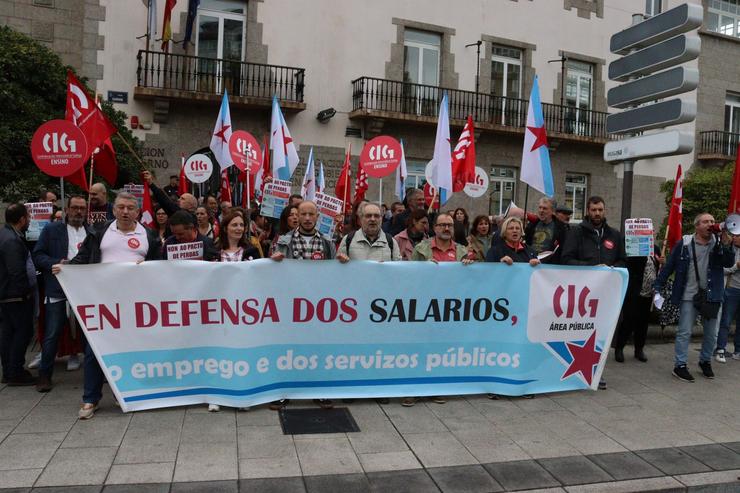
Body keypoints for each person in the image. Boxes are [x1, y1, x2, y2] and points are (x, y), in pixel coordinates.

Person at [53, 192, 162, 419]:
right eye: (121, 207)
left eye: (130, 208)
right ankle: (90, 399)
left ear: (137, 212)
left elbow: (159, 266)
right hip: (103, 303)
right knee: (95, 350)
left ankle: (126, 392)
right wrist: (67, 269)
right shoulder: (99, 232)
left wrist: (149, 267)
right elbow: (83, 258)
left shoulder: (149, 236)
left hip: (135, 304)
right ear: (113, 210)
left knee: (133, 349)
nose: (125, 212)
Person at [655, 213, 734, 382]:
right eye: (706, 222)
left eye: (712, 221)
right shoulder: (684, 244)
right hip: (689, 295)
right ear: (697, 226)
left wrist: (726, 244)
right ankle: (680, 365)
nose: (710, 224)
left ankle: (705, 361)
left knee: (711, 334)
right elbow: (670, 266)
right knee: (685, 332)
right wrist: (657, 286)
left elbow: (728, 262)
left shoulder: (718, 243)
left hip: (712, 295)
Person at [271, 201, 335, 410]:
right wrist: (273, 262)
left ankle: (320, 391)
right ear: (297, 216)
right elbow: (271, 273)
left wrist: (342, 263)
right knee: (289, 349)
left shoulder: (327, 241)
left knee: (318, 349)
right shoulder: (283, 241)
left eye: (311, 214)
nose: (307, 218)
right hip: (291, 306)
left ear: (317, 217)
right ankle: (284, 391)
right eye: (303, 214)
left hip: (319, 307)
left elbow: (336, 272)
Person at [405, 213, 472, 406]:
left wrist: (469, 265)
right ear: (434, 228)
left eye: (449, 225)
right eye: (442, 225)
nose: (446, 228)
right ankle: (413, 389)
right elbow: (409, 275)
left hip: (450, 309)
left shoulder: (462, 251)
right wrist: (423, 268)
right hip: (424, 306)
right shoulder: (422, 249)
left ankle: (436, 388)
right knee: (419, 349)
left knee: (441, 349)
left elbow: (470, 280)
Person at [561, 196, 626, 390]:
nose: (597, 213)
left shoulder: (614, 234)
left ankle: (596, 372)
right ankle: (575, 368)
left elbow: (623, 261)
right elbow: (567, 259)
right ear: (587, 211)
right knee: (581, 332)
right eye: (593, 210)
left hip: (606, 294)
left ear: (604, 211)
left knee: (601, 333)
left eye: (600, 210)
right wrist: (592, 268)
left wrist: (611, 269)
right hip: (583, 293)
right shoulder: (576, 232)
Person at [32, 196, 91, 392]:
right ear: (67, 209)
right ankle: (44, 375)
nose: (79, 212)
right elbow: (38, 255)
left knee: (88, 333)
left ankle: (93, 375)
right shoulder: (51, 229)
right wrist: (55, 263)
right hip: (58, 287)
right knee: (52, 333)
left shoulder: (91, 231)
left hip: (84, 290)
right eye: (75, 208)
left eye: (82, 208)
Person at [0, 204, 36, 386]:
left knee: (8, 333)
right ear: (22, 219)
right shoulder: (12, 241)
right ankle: (15, 371)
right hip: (16, 296)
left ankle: (9, 370)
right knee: (22, 333)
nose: (29, 220)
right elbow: (16, 271)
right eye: (28, 217)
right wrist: (25, 292)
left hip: (8, 295)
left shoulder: (6, 234)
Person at [615, 244, 663, 364]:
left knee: (643, 323)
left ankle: (639, 349)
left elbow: (657, 267)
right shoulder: (634, 247)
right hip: (635, 292)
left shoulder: (655, 248)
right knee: (628, 321)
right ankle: (619, 348)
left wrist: (662, 262)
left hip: (648, 294)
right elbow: (631, 264)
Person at [715, 233, 740, 363]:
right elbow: (722, 269)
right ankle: (720, 349)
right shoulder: (729, 250)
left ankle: (738, 351)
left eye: (738, 235)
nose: (735, 237)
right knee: (726, 322)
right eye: (734, 235)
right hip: (731, 289)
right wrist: (736, 266)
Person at [524, 197, 568, 264]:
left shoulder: (561, 228)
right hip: (531, 262)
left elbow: (563, 249)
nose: (541, 210)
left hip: (549, 265)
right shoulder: (532, 225)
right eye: (540, 207)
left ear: (553, 211)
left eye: (545, 208)